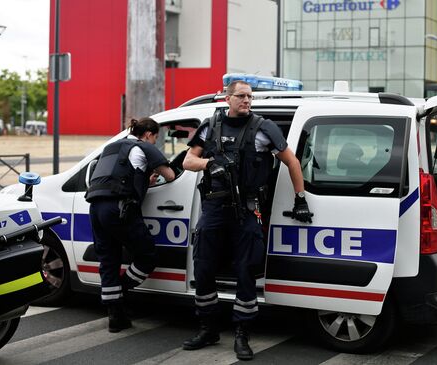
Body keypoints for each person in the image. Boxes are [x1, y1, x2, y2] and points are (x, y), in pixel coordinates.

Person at [181, 80, 313, 360]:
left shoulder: (264, 128)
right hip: (214, 209)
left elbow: (292, 162)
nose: (247, 101)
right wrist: (210, 163)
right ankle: (208, 329)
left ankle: (242, 334)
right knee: (203, 268)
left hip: (247, 209)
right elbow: (188, 161)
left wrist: (300, 198)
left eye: (249, 97)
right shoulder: (210, 125)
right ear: (227, 99)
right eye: (241, 96)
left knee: (245, 273)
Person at [85, 117, 175, 333]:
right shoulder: (142, 146)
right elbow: (170, 175)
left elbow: (118, 175)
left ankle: (115, 315)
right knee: (147, 256)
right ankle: (124, 290)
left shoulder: (111, 147)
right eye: (155, 138)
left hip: (96, 208)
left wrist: (144, 180)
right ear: (148, 135)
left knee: (108, 260)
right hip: (120, 208)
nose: (154, 142)